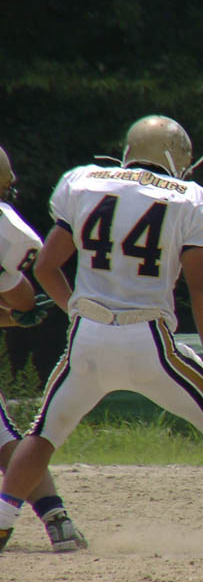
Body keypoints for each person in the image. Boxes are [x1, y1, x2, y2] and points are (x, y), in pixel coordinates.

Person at [0, 116, 203, 555]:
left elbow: (47, 268)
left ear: (128, 150)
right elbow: (199, 288)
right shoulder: (193, 199)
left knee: (42, 433)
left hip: (87, 338)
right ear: (175, 156)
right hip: (149, 339)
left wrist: (77, 311)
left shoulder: (83, 182)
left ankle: (2, 522)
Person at [0, 145, 87, 552]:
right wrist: (19, 315)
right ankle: (57, 520)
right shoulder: (6, 232)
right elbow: (20, 297)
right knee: (6, 441)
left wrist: (13, 318)